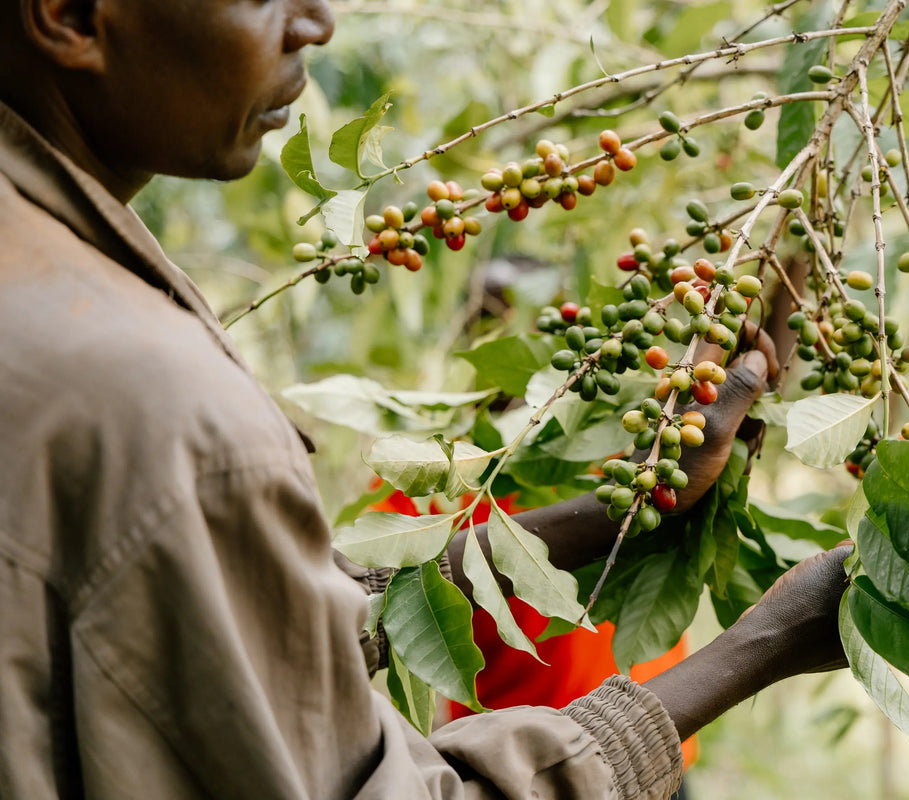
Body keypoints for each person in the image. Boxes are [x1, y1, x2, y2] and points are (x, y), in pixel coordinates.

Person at [0, 0, 853, 798]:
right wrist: (765, 645)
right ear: (71, 16)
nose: (316, 23)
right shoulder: (160, 407)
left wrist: (623, 503)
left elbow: (235, 629)